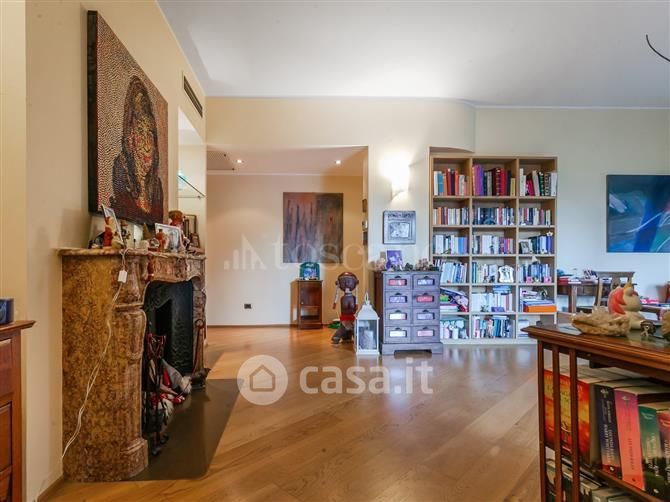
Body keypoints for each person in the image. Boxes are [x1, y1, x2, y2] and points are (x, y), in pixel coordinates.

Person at [111, 76, 164, 224]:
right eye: (140, 132)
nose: (146, 145)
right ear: (131, 136)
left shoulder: (157, 188)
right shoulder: (121, 172)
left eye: (150, 135)